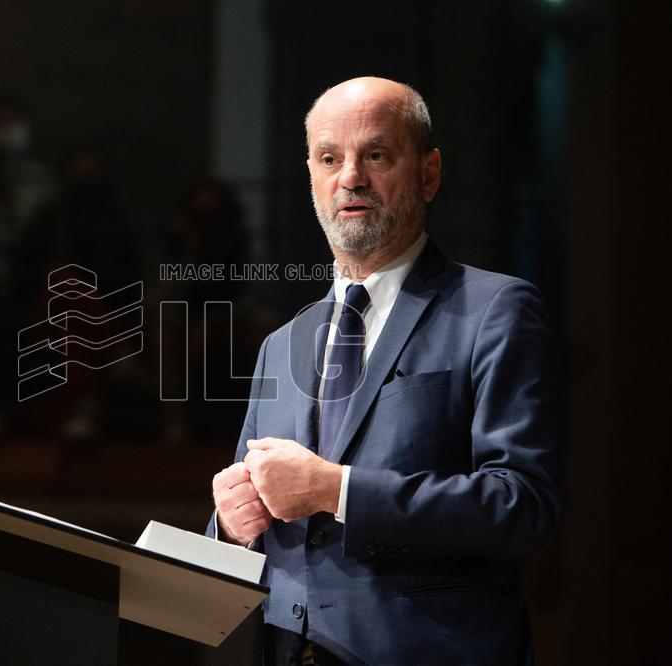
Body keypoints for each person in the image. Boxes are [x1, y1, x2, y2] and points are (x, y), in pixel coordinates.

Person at [207, 77, 561, 664]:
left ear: (429, 174)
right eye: (329, 159)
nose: (351, 178)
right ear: (311, 176)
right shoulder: (280, 343)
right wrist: (229, 521)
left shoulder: (495, 310)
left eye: (376, 155)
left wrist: (335, 488)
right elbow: (261, 520)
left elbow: (521, 507)